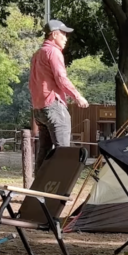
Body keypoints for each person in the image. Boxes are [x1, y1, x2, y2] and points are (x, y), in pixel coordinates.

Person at [29, 19, 89, 169]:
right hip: (53, 105)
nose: (66, 38)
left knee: (43, 152)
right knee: (63, 151)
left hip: (39, 108)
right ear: (54, 35)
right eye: (63, 34)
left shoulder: (37, 54)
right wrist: (77, 96)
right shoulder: (53, 52)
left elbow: (31, 83)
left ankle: (37, 190)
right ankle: (60, 191)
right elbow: (61, 78)